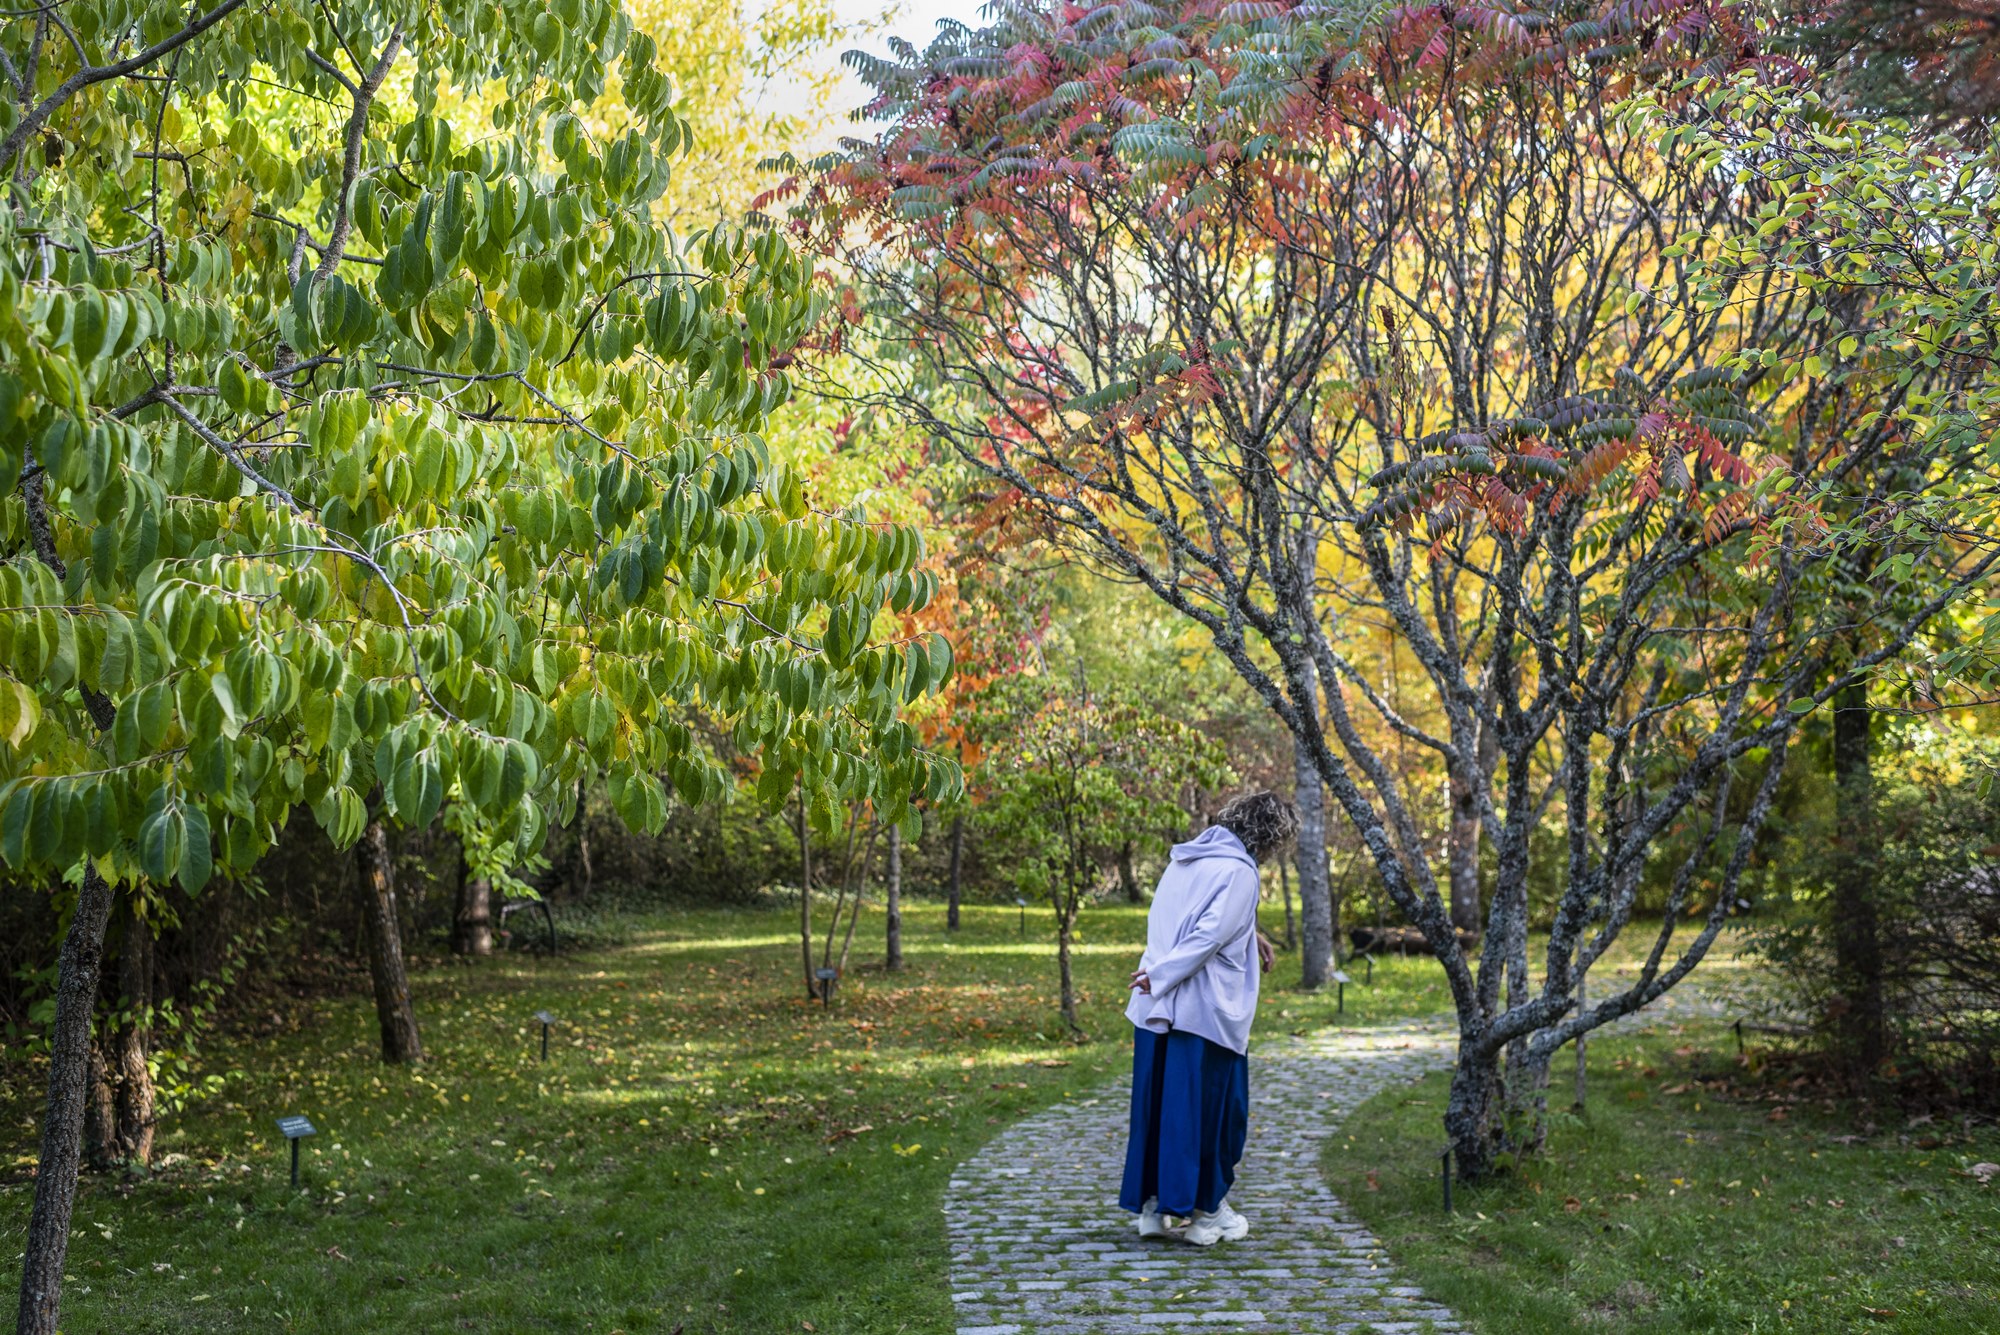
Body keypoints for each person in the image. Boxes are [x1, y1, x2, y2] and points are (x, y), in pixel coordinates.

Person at [1120, 790, 1298, 1246]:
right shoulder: (1240, 871)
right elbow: (1207, 935)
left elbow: (1197, 916)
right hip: (1202, 1012)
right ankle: (1207, 1215)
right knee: (1216, 1114)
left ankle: (1151, 1210)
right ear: (1271, 836)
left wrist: (1250, 931)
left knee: (1159, 1109)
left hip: (1156, 1011)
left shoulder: (1187, 858)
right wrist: (1160, 976)